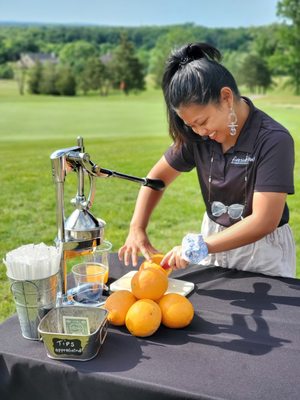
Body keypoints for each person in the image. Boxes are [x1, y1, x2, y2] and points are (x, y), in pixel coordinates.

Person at [118, 42, 296, 278]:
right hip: (212, 240)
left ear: (226, 97)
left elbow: (264, 220)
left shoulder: (273, 139)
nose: (199, 132)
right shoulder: (196, 137)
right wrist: (136, 228)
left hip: (262, 252)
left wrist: (203, 246)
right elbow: (156, 179)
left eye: (202, 122)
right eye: (190, 125)